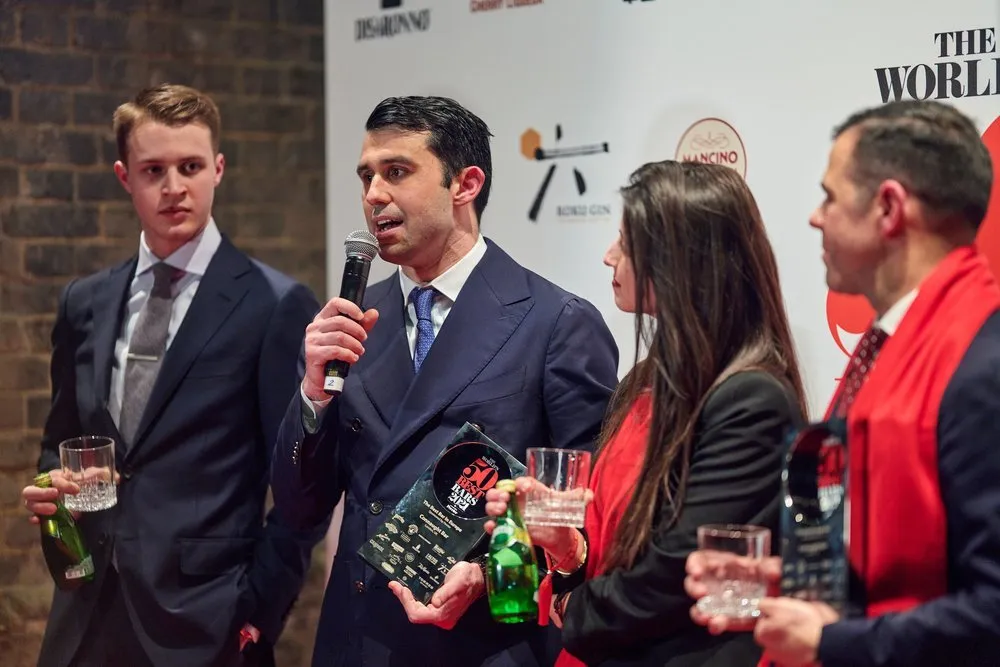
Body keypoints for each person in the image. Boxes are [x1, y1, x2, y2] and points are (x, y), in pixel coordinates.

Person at [269, 95, 620, 667]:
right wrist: (312, 396)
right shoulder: (352, 325)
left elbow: (584, 525)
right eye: (367, 176)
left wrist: (484, 577)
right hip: (358, 641)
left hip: (484, 645)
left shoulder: (555, 322)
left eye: (397, 172)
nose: (374, 195)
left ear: (466, 184)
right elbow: (298, 509)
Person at [685, 99, 1000, 667]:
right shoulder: (900, 341)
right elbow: (898, 564)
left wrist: (831, 642)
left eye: (830, 196)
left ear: (888, 208)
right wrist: (786, 582)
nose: (815, 216)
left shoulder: (981, 361)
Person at [21, 84, 323, 667]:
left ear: (218, 168)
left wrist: (258, 610)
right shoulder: (85, 301)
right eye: (153, 169)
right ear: (124, 177)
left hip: (209, 622)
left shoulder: (274, 304)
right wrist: (51, 491)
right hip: (84, 614)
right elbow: (57, 441)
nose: (174, 187)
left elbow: (300, 483)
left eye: (190, 166)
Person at [485, 160, 807, 666]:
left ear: (681, 262)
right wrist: (567, 549)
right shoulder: (642, 383)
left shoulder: (751, 401)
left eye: (626, 243)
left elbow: (676, 570)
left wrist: (575, 608)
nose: (609, 257)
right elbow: (613, 551)